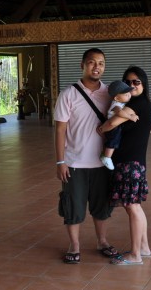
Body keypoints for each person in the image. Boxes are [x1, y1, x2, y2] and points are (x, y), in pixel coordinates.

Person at [54, 48, 118, 264]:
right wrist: (60, 161)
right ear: (82, 65)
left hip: (102, 163)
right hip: (74, 163)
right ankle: (75, 245)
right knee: (73, 206)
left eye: (101, 63)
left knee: (102, 206)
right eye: (92, 62)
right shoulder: (68, 94)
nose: (96, 67)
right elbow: (60, 130)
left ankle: (102, 241)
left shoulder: (111, 93)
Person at [97, 66, 151, 265]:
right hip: (133, 163)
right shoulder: (140, 104)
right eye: (128, 82)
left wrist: (103, 127)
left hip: (130, 164)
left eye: (136, 82)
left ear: (144, 84)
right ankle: (144, 248)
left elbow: (109, 125)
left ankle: (135, 254)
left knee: (133, 207)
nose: (132, 86)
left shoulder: (138, 105)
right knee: (135, 207)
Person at [100, 80, 139, 170]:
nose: (129, 95)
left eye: (129, 92)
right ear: (117, 98)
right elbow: (120, 113)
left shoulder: (121, 103)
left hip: (115, 127)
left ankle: (105, 154)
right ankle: (107, 157)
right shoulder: (116, 104)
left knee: (112, 142)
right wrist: (130, 116)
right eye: (125, 94)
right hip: (113, 128)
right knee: (113, 142)